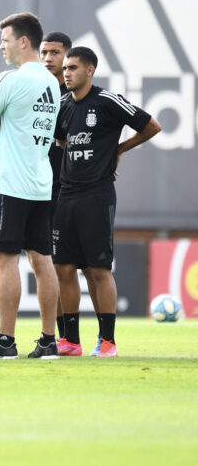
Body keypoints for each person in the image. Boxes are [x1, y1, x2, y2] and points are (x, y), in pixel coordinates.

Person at [54, 47, 161, 358]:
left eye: (73, 68)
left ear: (90, 70)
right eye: (65, 69)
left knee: (98, 268)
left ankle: (107, 341)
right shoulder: (63, 105)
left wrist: (120, 148)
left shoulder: (107, 101)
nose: (67, 74)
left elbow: (152, 125)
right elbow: (62, 139)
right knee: (63, 267)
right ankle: (71, 341)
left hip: (96, 195)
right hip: (66, 194)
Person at [0, 12, 60, 360]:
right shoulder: (52, 82)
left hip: (11, 183)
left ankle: (5, 341)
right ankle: (49, 341)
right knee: (43, 261)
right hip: (40, 183)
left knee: (6, 261)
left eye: (6, 39)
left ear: (24, 41)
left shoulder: (10, 79)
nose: (1, 46)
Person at [39, 30, 83, 343]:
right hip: (38, 187)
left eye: (55, 53)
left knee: (75, 266)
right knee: (50, 264)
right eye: (44, 53)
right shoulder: (33, 90)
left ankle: (80, 336)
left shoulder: (76, 98)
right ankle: (57, 336)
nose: (49, 59)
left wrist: (112, 156)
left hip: (70, 191)